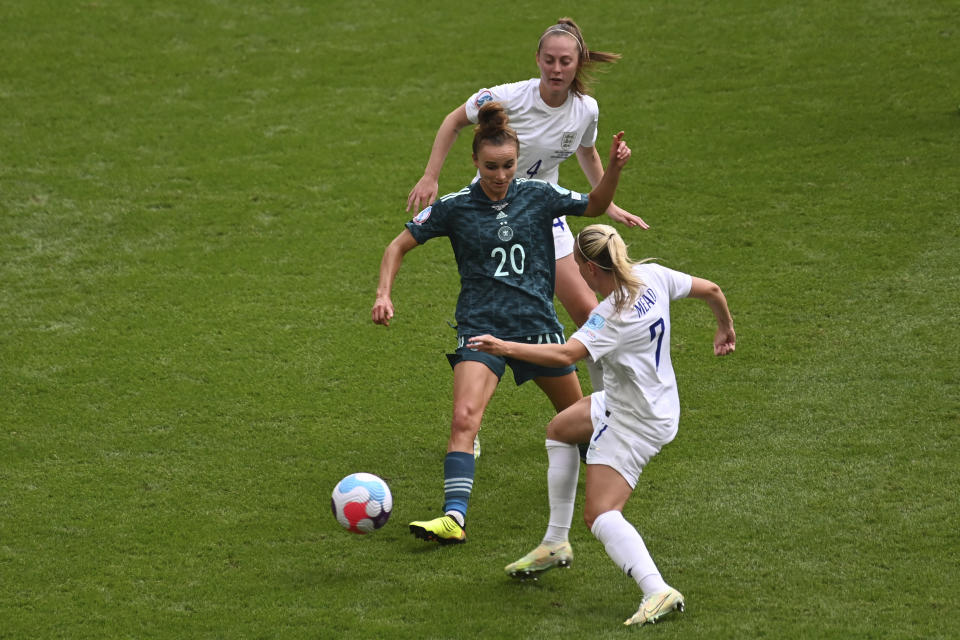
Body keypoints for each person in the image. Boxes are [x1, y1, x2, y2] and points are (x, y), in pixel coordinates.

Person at [372, 103, 632, 545]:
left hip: (538, 328)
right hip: (480, 328)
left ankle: (607, 491)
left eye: (508, 165)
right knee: (463, 419)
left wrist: (611, 169)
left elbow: (594, 205)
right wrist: (383, 293)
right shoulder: (455, 207)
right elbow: (397, 245)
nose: (500, 174)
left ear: (517, 159)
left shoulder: (538, 194)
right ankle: (454, 518)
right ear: (474, 162)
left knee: (579, 420)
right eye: (491, 166)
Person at [467, 224, 736, 626]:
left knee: (601, 515)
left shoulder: (609, 316)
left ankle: (656, 589)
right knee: (560, 429)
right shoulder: (653, 275)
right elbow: (712, 290)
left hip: (634, 421)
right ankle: (555, 543)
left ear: (591, 270)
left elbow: (564, 355)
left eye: (577, 268)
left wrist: (503, 347)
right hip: (649, 401)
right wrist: (725, 327)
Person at [407, 17, 648, 393]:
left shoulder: (587, 110)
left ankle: (603, 411)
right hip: (492, 208)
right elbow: (453, 121)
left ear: (578, 62)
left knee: (588, 313)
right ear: (537, 59)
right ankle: (469, 425)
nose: (556, 69)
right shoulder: (507, 96)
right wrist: (430, 175)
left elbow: (586, 151)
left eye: (565, 61)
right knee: (489, 317)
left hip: (541, 211)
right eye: (549, 60)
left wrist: (608, 201)